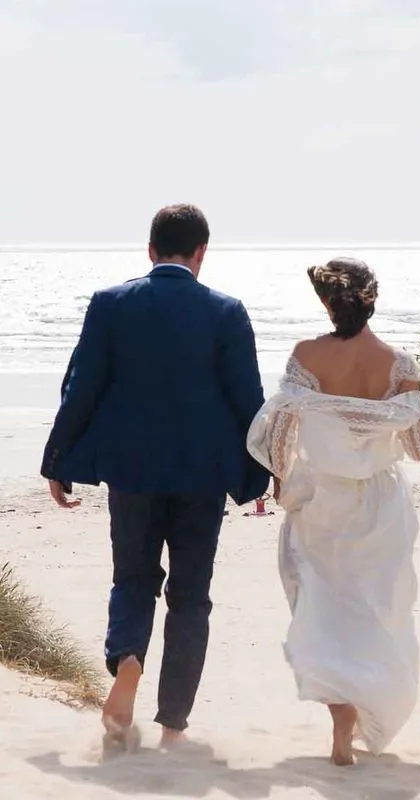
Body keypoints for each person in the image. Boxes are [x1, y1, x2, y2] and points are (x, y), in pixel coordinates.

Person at [41, 204, 269, 747]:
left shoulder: (110, 304)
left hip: (132, 471)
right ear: (201, 253)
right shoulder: (227, 311)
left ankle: (128, 663)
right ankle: (172, 727)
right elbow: (249, 403)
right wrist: (262, 473)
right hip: (202, 476)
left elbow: (81, 387)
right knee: (191, 596)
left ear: (150, 251)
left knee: (133, 579)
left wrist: (58, 460)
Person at [247, 258, 420, 766]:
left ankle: (340, 721)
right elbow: (419, 447)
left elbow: (284, 431)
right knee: (377, 606)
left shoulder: (306, 354)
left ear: (327, 304)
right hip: (379, 502)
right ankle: (365, 705)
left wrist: (281, 481)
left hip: (322, 499)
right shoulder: (399, 363)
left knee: (324, 604)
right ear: (371, 300)